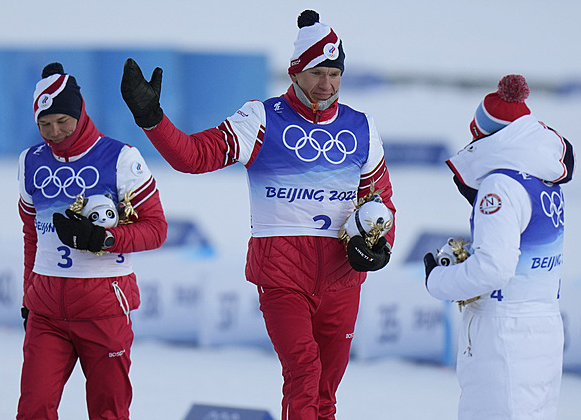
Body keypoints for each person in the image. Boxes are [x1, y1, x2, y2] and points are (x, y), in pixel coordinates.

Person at [120, 9, 395, 420]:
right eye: (317, 72)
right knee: (304, 371)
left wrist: (381, 247)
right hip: (282, 276)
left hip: (342, 278)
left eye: (335, 73)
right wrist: (152, 119)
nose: (327, 84)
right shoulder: (261, 119)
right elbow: (194, 157)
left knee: (326, 392)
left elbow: (381, 201)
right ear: (295, 71)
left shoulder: (361, 127)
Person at [17, 62, 168, 420]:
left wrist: (106, 237)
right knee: (33, 409)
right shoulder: (30, 162)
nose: (55, 132)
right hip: (47, 311)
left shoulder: (120, 157)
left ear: (80, 113)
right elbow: (30, 235)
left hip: (104, 308)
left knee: (108, 412)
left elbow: (157, 229)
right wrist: (28, 297)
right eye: (45, 124)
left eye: (63, 121)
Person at [423, 74, 576, 419]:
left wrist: (438, 281)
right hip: (544, 325)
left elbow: (494, 268)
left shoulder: (499, 186)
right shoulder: (544, 175)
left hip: (504, 331)